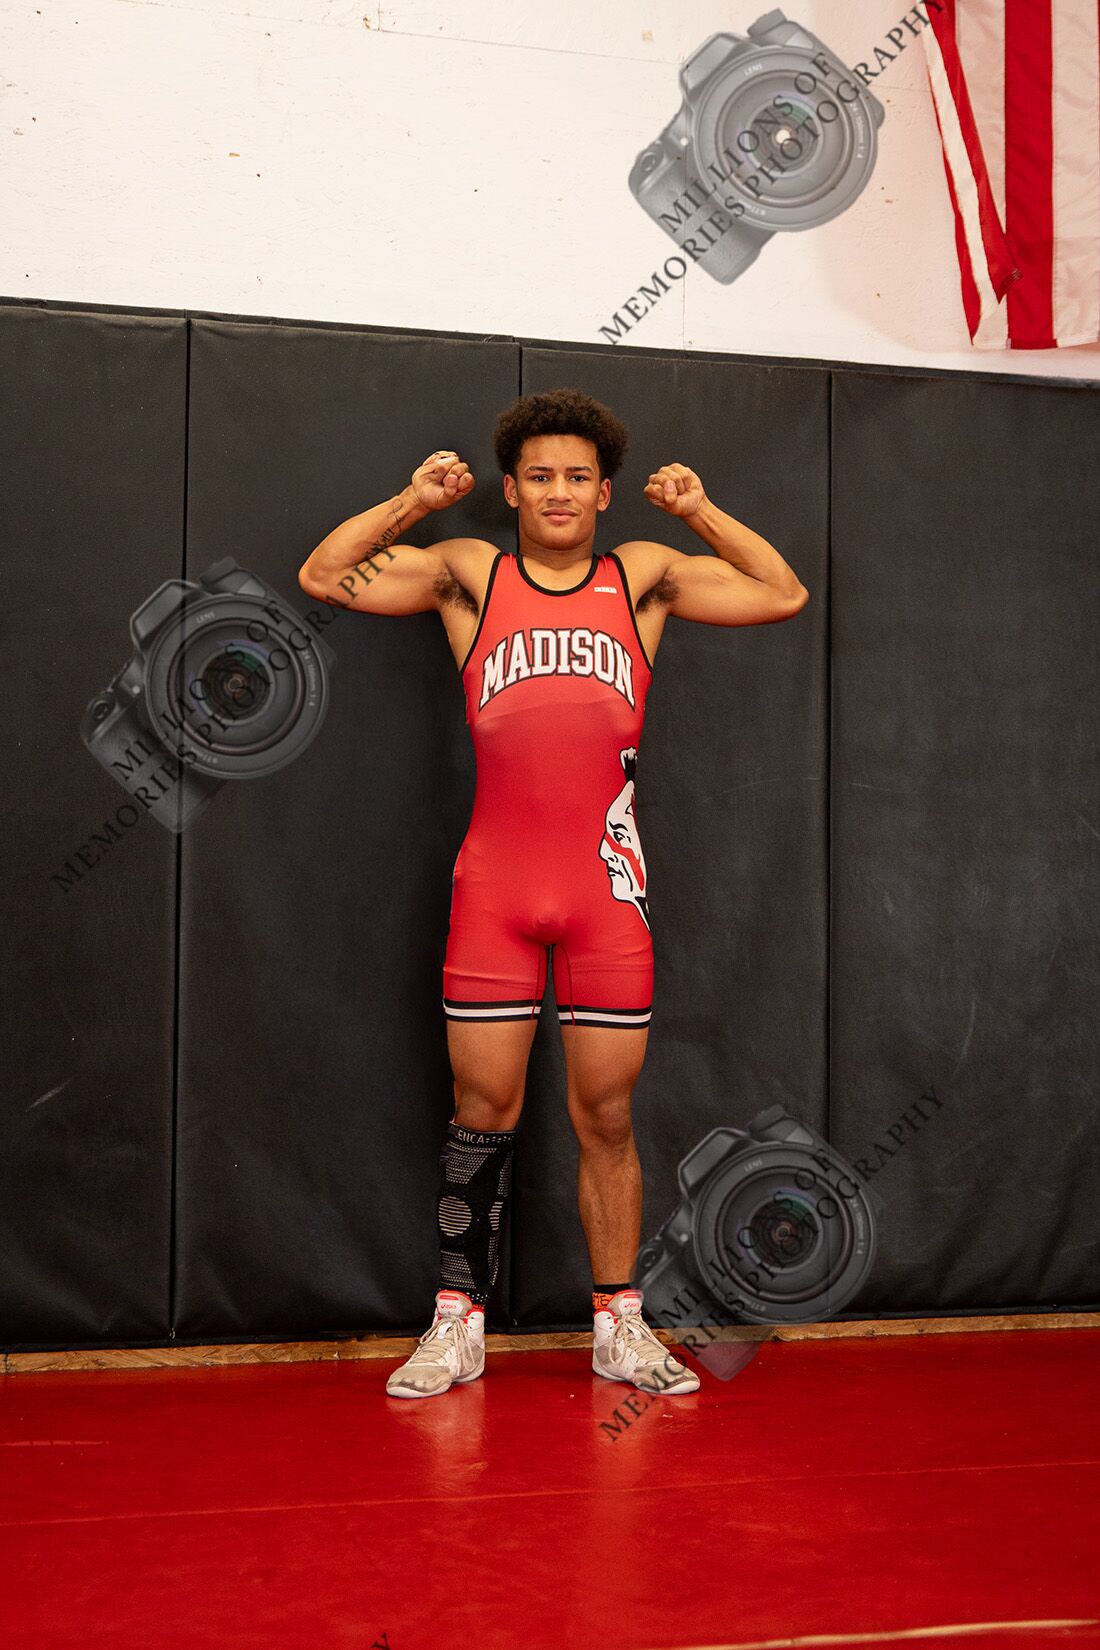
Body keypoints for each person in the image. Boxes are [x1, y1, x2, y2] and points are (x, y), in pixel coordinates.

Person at [298, 388, 808, 1400]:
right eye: (540, 476)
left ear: (605, 492)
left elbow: (781, 592)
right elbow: (322, 575)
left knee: (606, 1116)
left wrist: (699, 512)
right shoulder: (469, 576)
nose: (559, 492)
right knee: (479, 1110)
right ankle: (456, 1324)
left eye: (578, 476)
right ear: (512, 490)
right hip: (495, 886)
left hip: (603, 893)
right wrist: (413, 502)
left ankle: (619, 1326)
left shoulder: (643, 578)